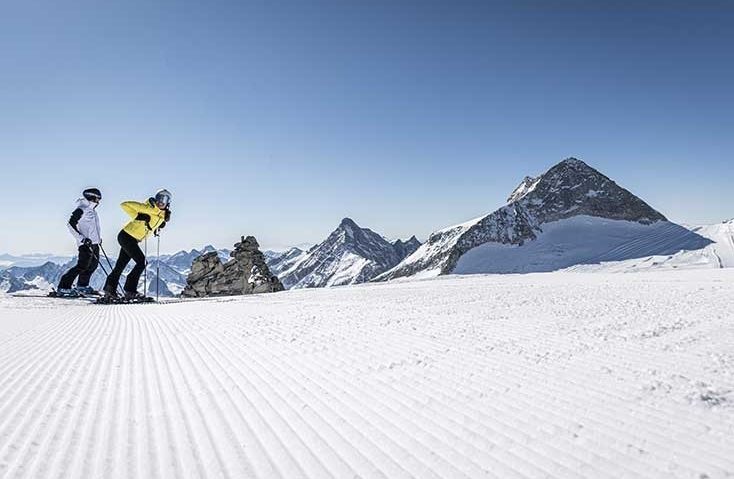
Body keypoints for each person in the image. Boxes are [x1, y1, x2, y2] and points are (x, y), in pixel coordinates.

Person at [103, 189, 172, 299]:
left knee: (120, 265)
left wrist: (159, 225)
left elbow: (152, 222)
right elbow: (124, 205)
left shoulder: (162, 214)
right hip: (126, 236)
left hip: (133, 239)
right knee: (142, 262)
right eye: (159, 198)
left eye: (165, 199)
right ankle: (130, 290)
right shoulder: (148, 207)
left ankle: (109, 290)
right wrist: (137, 216)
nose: (161, 201)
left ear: (168, 202)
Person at [57, 188, 103, 296]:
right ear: (91, 197)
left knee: (93, 266)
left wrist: (98, 239)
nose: (98, 201)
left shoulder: (92, 211)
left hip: (95, 243)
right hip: (85, 244)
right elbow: (70, 224)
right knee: (82, 266)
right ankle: (63, 287)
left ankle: (82, 286)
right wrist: (81, 238)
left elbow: (93, 228)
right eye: (97, 198)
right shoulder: (81, 209)